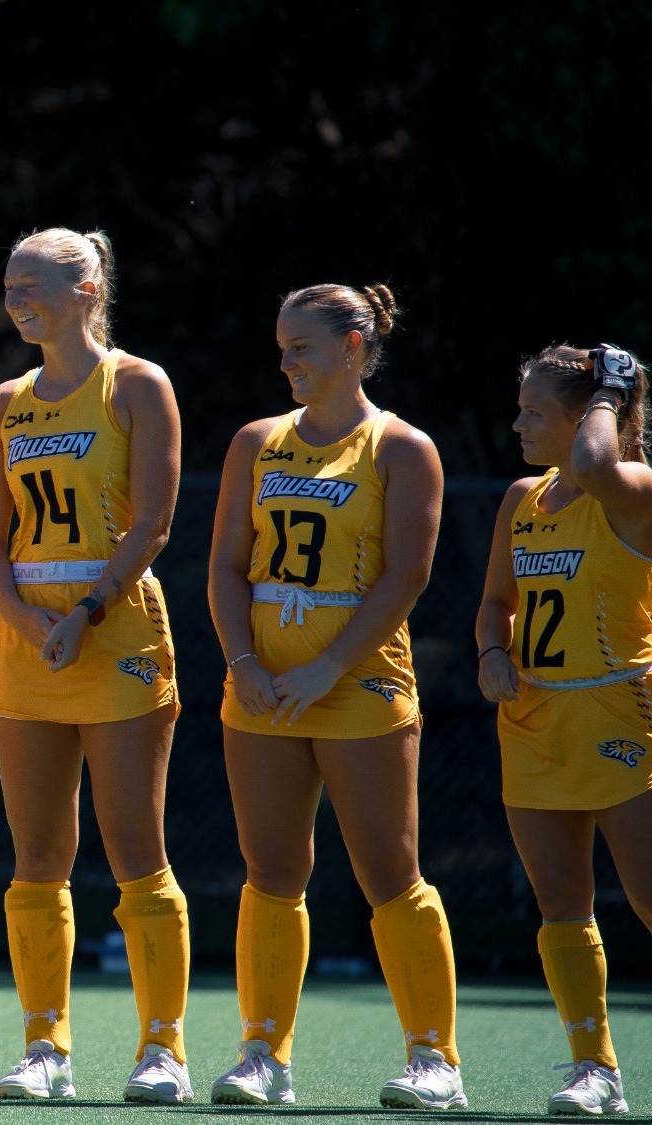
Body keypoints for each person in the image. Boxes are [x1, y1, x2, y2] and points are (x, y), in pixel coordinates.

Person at [207, 284, 461, 1109]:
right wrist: (242, 657)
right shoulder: (256, 442)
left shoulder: (401, 446)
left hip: (359, 685)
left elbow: (407, 574)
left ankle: (436, 1059)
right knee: (272, 869)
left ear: (353, 346)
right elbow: (225, 567)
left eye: (302, 348)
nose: (285, 363)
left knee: (390, 871)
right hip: (262, 688)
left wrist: (329, 667)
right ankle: (262, 1055)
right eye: (281, 348)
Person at [0, 228, 190, 1103]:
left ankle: (161, 1046)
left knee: (136, 845)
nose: (18, 296)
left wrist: (89, 611)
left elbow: (153, 525)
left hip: (118, 630)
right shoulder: (4, 403)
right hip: (27, 642)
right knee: (37, 854)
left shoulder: (138, 385)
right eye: (10, 280)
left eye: (35, 282)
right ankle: (44, 1046)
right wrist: (27, 619)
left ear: (88, 287)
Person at [477, 343, 652, 1117]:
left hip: (619, 716)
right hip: (535, 720)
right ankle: (595, 1068)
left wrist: (613, 393)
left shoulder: (629, 489)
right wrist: (488, 651)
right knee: (561, 901)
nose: (518, 424)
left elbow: (596, 467)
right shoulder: (522, 497)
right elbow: (495, 603)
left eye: (534, 411)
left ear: (590, 419)